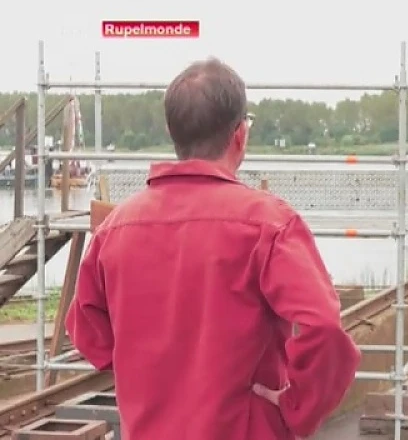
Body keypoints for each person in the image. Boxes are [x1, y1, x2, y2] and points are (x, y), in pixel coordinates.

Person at [65, 58, 361, 440]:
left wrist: (149, 374)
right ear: (240, 135)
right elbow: (322, 327)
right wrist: (295, 408)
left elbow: (88, 331)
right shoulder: (269, 225)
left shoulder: (116, 228)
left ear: (173, 132)